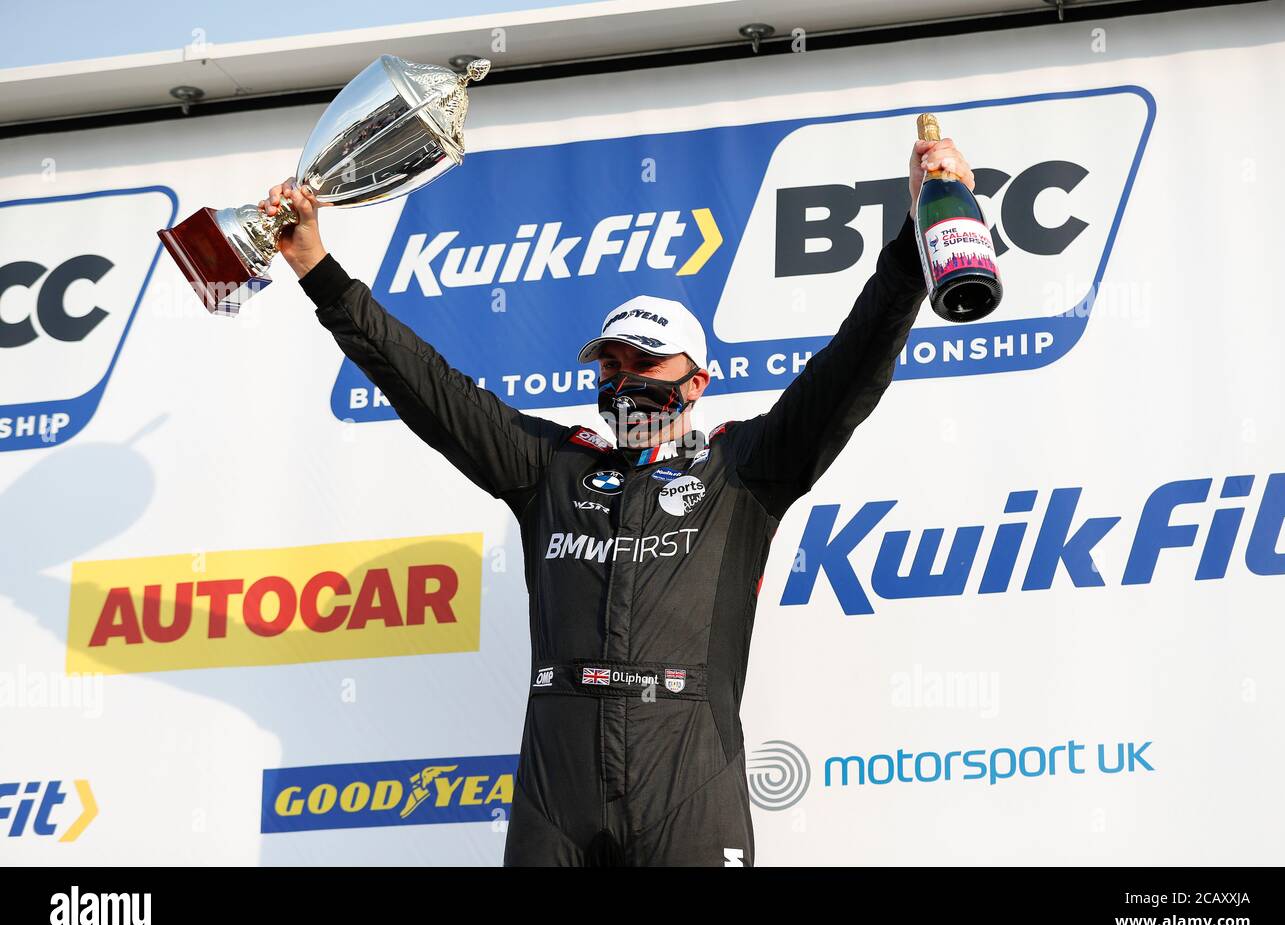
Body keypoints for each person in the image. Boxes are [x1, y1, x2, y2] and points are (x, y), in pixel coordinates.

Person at [261, 136, 975, 866]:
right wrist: (318, 269)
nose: (622, 379)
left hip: (689, 782)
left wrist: (913, 238)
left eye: (643, 363)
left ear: (697, 380)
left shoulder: (744, 469)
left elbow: (850, 366)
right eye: (609, 363)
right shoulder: (549, 467)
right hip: (556, 794)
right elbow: (425, 385)